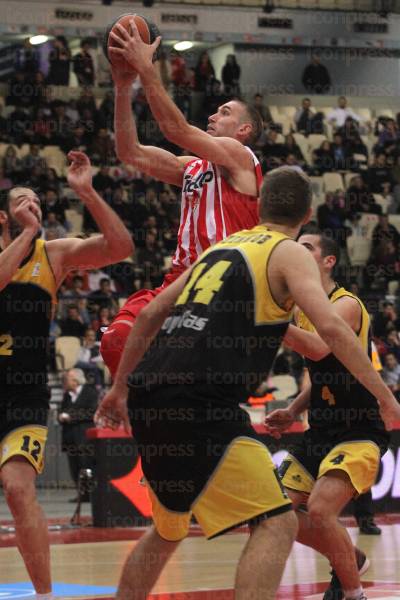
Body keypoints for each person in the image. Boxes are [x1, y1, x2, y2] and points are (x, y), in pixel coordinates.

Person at [95, 167, 400, 600]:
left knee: (167, 529)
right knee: (278, 521)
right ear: (307, 212)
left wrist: (120, 388)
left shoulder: (220, 246)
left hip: (150, 393)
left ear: (259, 206)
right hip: (201, 401)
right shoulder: (287, 252)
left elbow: (147, 315)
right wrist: (388, 398)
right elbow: (329, 335)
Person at [0, 151, 133, 600]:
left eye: (37, 201)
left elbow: (120, 248)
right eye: (23, 201)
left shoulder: (50, 255)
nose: (33, 205)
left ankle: (43, 595)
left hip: (24, 395)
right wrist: (29, 231)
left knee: (19, 490)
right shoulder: (25, 242)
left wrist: (88, 193)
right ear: (4, 216)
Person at [100, 22, 263, 378]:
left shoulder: (241, 157)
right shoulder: (192, 167)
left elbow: (176, 130)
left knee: (190, 369)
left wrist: (146, 68)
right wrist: (123, 87)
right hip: (178, 278)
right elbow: (130, 153)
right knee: (116, 341)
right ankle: (145, 409)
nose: (212, 115)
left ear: (244, 130)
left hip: (222, 280)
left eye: (224, 113)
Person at [266, 229, 394, 600]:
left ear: (328, 261)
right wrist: (292, 409)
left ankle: (353, 593)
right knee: (272, 513)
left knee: (321, 511)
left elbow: (321, 348)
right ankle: (347, 556)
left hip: (358, 427)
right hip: (320, 429)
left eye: (307, 247)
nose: (297, 250)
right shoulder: (302, 309)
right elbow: (324, 373)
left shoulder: (346, 304)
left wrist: (266, 321)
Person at [58, 368, 98, 500]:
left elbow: (91, 412)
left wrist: (71, 417)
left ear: (75, 380)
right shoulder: (67, 396)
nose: (65, 381)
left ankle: (90, 494)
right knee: (74, 466)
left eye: (68, 378)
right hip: (70, 438)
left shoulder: (90, 392)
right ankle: (81, 494)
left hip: (84, 438)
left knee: (86, 465)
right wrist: (61, 417)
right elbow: (61, 411)